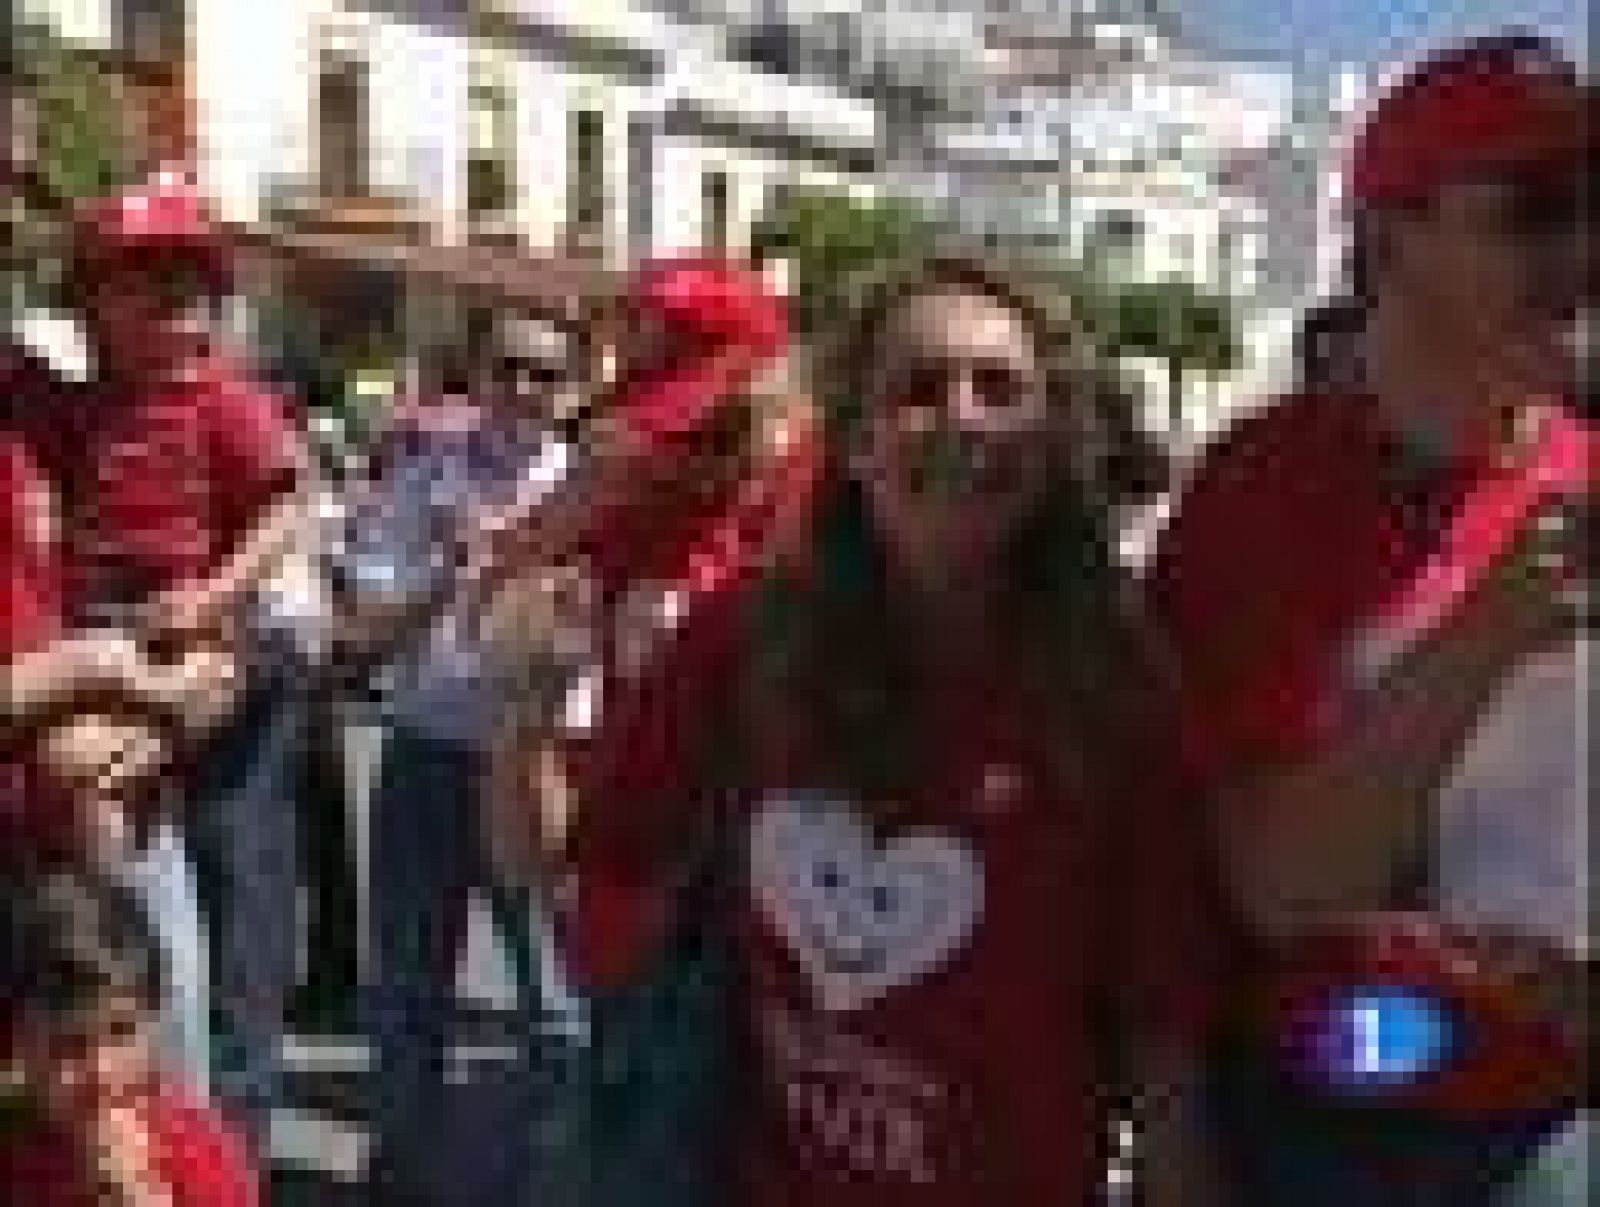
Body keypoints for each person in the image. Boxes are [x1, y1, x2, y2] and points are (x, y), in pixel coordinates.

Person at [543, 251, 1229, 1206]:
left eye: (1001, 390)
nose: (962, 418)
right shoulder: (745, 636)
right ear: (854, 443)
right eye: (919, 389)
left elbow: (1164, 1018)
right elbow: (606, 877)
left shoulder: (1116, 687)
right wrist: (526, 718)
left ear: (1053, 441)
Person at [1145, 34, 1591, 1203]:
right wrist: (1492, 632)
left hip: (1547, 1125)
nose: (1584, 250)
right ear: (1389, 237)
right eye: (1538, 208)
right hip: (1306, 1120)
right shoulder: (1258, 488)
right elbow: (1276, 886)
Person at [40, 169, 313, 1145]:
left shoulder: (222, 400)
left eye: (190, 284)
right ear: (90, 306)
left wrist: (218, 595)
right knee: (110, 807)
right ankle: (112, 960)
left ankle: (167, 1053)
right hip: (98, 631)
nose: (174, 302)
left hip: (186, 626)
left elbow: (288, 507)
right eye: (144, 278)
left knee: (229, 881)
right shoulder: (77, 404)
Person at [333, 304, 590, 1205]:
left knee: (557, 1004)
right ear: (476, 371)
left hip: (545, 764)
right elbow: (358, 631)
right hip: (426, 757)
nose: (523, 388)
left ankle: (551, 1184)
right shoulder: (419, 477)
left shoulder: (595, 492)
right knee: (407, 992)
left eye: (545, 373)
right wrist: (446, 573)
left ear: (573, 390)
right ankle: (399, 1178)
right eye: (509, 365)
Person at [1, 867, 261, 1207]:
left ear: (153, 1020)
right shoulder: (16, 1152)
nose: (101, 1071)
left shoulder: (200, 1155)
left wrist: (144, 1196)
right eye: (69, 1045)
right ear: (23, 1046)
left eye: (122, 1032)